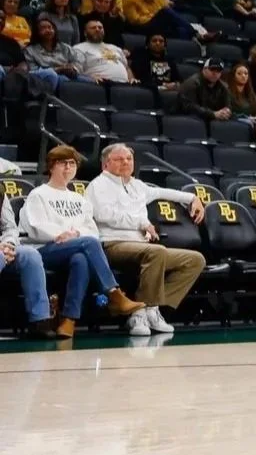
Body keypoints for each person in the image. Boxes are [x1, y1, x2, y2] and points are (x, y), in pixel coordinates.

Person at [16, 144, 147, 337]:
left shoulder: (79, 199)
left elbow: (92, 230)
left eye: (72, 163)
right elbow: (35, 227)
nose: (68, 167)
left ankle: (69, 320)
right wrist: (60, 235)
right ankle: (114, 294)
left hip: (74, 248)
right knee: (88, 244)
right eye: (63, 163)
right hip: (43, 250)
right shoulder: (38, 194)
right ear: (51, 166)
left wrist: (75, 234)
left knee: (81, 259)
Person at [87, 143, 205, 336]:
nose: (125, 162)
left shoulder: (138, 186)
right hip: (111, 244)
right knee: (157, 251)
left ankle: (151, 310)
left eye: (129, 159)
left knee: (195, 260)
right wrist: (141, 223)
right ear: (105, 165)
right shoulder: (98, 185)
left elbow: (165, 193)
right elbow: (103, 215)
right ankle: (140, 311)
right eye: (119, 159)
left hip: (141, 247)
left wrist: (193, 198)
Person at [1, 193, 61, 338]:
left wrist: (8, 244)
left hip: (3, 246)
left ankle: (39, 320)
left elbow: (10, 227)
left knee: (30, 255)